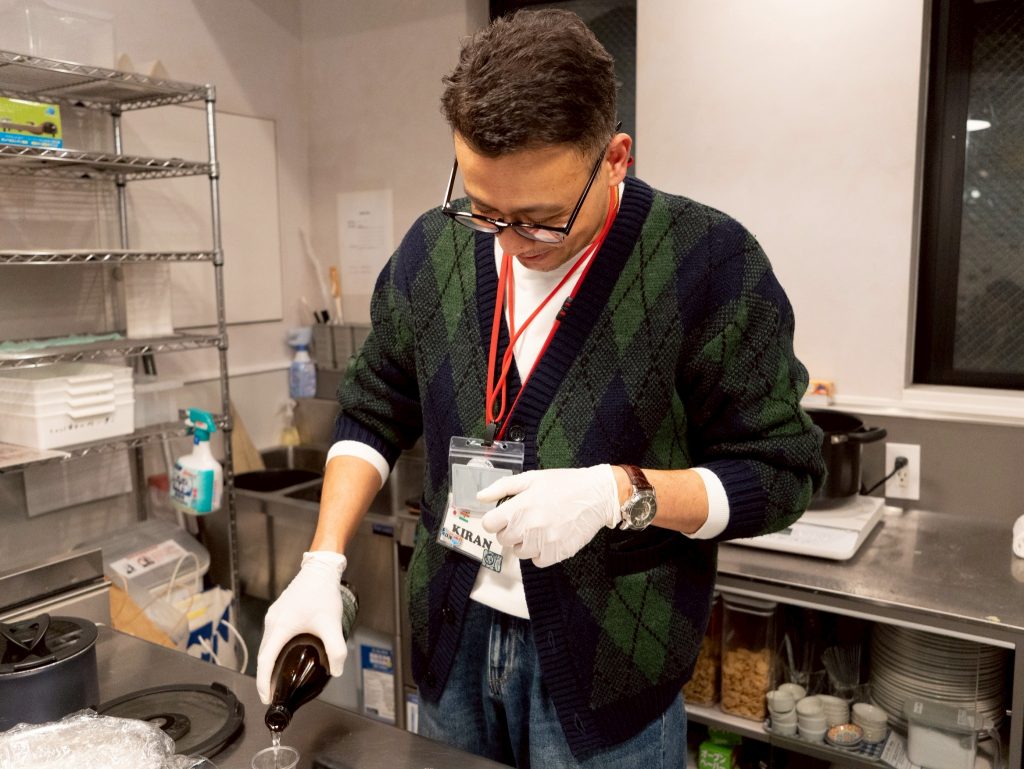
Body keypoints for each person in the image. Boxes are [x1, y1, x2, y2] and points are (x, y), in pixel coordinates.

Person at [257, 8, 825, 768]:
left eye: (542, 219)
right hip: (453, 647)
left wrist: (618, 493)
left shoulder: (708, 263)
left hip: (607, 671)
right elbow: (372, 407)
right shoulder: (434, 249)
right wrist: (322, 564)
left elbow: (781, 474)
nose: (511, 242)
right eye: (484, 209)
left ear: (615, 158)